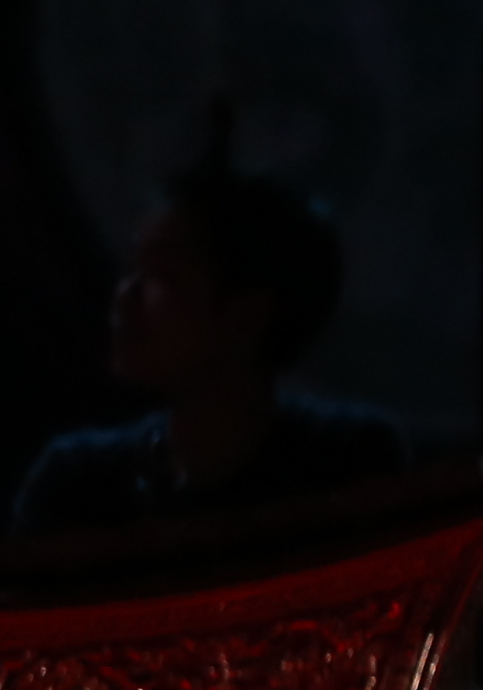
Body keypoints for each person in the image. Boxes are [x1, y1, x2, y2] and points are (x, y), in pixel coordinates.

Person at [18, 139, 403, 531]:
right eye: (132, 268)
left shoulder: (346, 460)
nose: (125, 296)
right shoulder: (78, 482)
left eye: (162, 274)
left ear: (247, 315)